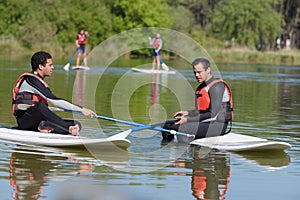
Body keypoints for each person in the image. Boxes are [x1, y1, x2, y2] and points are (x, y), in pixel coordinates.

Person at [12, 51, 96, 136]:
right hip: (25, 121)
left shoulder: (40, 81)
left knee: (76, 124)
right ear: (41, 66)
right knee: (40, 106)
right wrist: (82, 109)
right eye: (50, 65)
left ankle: (42, 128)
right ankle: (67, 128)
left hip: (38, 120)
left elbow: (54, 101)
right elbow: (55, 101)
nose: (53, 67)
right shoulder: (31, 80)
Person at [162, 57, 233, 143]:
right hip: (206, 122)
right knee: (166, 125)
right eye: (194, 72)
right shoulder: (202, 87)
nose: (196, 75)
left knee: (182, 128)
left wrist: (187, 120)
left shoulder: (217, 87)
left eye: (199, 72)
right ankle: (168, 150)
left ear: (208, 70)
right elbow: (203, 111)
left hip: (217, 125)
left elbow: (212, 113)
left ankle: (183, 151)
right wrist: (187, 113)